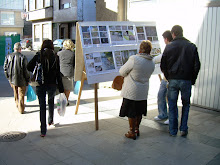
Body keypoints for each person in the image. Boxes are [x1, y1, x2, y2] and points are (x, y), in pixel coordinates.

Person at [160, 25, 201, 136]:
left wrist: (168, 76)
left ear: (173, 34)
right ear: (182, 33)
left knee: (172, 105)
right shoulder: (191, 46)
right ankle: (183, 129)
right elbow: (197, 65)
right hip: (186, 80)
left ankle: (173, 131)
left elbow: (163, 64)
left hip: (173, 80)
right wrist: (192, 79)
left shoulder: (169, 47)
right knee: (186, 105)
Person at [27, 39, 64, 137]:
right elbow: (58, 73)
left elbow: (28, 66)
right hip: (52, 84)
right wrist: (61, 88)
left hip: (40, 84)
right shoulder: (56, 56)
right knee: (51, 102)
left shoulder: (38, 55)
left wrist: (37, 67)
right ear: (52, 46)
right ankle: (50, 120)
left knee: (42, 106)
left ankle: (43, 131)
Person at [119, 40, 155, 140]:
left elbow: (122, 71)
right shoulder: (151, 62)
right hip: (143, 91)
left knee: (131, 112)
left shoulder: (134, 59)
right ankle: (136, 129)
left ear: (140, 49)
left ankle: (131, 132)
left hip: (132, 90)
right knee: (139, 111)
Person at [3, 42, 30, 114]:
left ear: (14, 49)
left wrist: (8, 77)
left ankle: (17, 104)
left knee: (15, 92)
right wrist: (28, 79)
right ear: (20, 49)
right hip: (22, 79)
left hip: (12, 79)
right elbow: (26, 70)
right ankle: (21, 109)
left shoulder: (8, 56)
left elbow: (5, 68)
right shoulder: (23, 57)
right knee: (21, 94)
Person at [153, 30, 173, 125]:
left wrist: (152, 59)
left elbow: (162, 57)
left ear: (166, 39)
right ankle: (162, 114)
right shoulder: (168, 46)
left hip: (172, 78)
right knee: (161, 95)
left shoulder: (172, 46)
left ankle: (171, 117)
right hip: (165, 78)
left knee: (170, 98)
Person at [57, 39, 75, 105]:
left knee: (61, 88)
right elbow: (74, 64)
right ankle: (66, 101)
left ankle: (61, 100)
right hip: (69, 73)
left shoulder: (59, 53)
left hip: (60, 72)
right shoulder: (73, 54)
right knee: (67, 88)